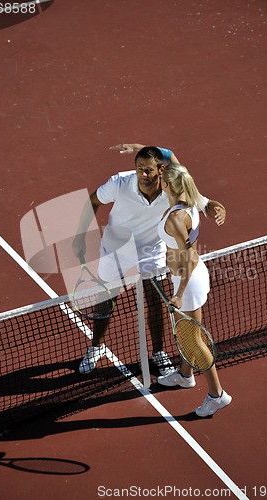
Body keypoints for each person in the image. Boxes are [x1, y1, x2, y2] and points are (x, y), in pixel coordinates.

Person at [72, 144, 179, 376]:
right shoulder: (119, 183)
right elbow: (93, 201)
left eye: (148, 170)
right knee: (106, 297)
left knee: (156, 299)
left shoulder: (172, 187)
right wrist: (81, 236)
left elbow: (182, 171)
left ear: (161, 170)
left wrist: (211, 206)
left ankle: (159, 352)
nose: (143, 175)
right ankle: (96, 347)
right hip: (116, 248)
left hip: (151, 249)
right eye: (139, 169)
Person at [156, 162, 232, 417]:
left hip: (187, 281)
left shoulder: (177, 218)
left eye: (160, 179)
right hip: (190, 276)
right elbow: (172, 159)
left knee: (193, 339)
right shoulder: (190, 198)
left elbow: (187, 257)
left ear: (166, 185)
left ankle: (217, 395)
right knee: (188, 333)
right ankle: (185, 375)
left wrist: (178, 294)